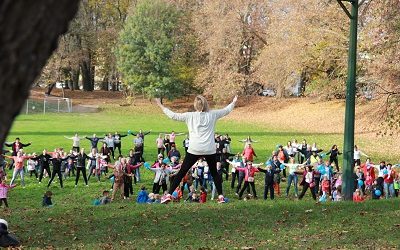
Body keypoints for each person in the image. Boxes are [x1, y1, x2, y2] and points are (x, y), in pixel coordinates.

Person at [156, 95, 237, 202]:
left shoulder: (190, 116)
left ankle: (169, 194)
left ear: (195, 105)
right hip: (209, 149)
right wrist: (234, 102)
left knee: (182, 172)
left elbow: (173, 115)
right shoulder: (212, 114)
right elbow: (226, 110)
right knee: (214, 172)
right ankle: (221, 196)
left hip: (194, 149)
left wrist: (161, 105)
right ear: (205, 104)